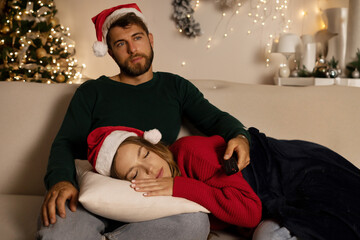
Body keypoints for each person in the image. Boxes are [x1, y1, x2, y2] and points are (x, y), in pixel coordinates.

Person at [37, 3, 251, 240]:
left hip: (149, 196)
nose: (132, 49)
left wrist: (240, 136)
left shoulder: (174, 86)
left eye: (137, 38)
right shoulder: (93, 91)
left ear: (150, 39)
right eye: (120, 44)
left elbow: (216, 119)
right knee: (59, 227)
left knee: (194, 223)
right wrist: (61, 181)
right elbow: (65, 143)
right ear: (110, 52)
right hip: (95, 192)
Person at [89, 126, 360, 240]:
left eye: (145, 154)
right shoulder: (154, 195)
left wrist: (179, 187)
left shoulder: (190, 151)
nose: (149, 170)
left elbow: (249, 210)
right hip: (272, 202)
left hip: (299, 172)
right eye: (135, 175)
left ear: (155, 146)